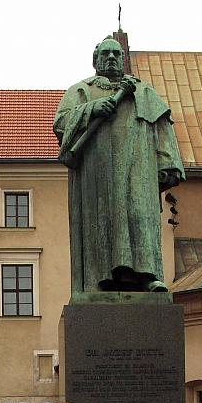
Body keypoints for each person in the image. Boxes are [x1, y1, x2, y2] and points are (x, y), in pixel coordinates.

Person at [54, 37, 184, 294]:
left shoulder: (144, 92)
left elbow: (163, 128)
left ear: (123, 59)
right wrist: (91, 109)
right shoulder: (81, 91)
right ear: (95, 60)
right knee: (103, 223)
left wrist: (167, 163)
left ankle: (148, 276)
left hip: (140, 170)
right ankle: (101, 279)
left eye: (116, 54)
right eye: (106, 54)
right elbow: (61, 124)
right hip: (97, 173)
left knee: (140, 218)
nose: (111, 58)